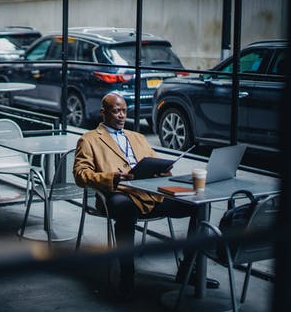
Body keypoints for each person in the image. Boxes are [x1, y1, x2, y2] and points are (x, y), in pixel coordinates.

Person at [73, 92, 218, 299]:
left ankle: (189, 270)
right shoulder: (88, 140)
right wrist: (112, 177)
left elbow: (154, 163)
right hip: (116, 193)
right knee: (125, 209)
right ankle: (127, 273)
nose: (122, 115)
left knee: (199, 205)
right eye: (116, 111)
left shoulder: (138, 137)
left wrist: (162, 172)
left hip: (150, 194)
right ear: (103, 113)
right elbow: (80, 175)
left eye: (124, 111)